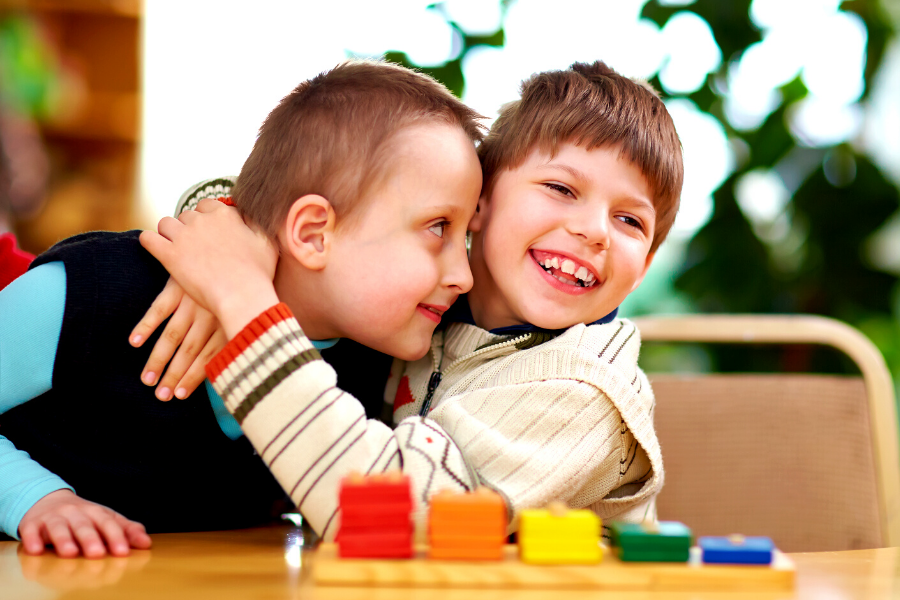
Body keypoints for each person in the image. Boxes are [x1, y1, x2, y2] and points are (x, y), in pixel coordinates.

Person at [140, 60, 683, 541]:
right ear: (478, 200)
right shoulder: (426, 307)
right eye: (562, 189)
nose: (595, 232)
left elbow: (377, 514)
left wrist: (239, 291)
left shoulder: (587, 394)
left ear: (644, 269)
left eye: (630, 221)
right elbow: (321, 203)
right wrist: (223, 231)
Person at [0, 59, 484, 556]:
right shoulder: (91, 290)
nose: (462, 275)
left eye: (466, 237)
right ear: (313, 234)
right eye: (437, 227)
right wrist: (35, 499)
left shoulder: (373, 366)